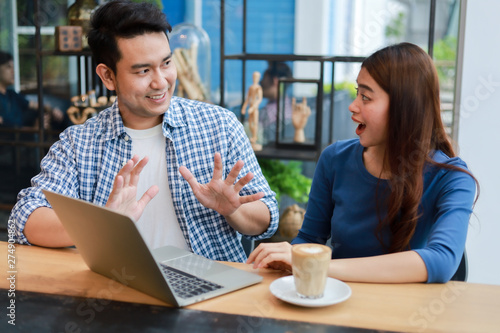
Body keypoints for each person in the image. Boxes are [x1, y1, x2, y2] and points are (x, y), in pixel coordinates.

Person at [9, 0, 278, 263]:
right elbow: (25, 217)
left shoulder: (219, 125)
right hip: (119, 293)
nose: (160, 82)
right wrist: (104, 223)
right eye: (143, 71)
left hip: (212, 293)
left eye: (166, 63)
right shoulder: (79, 143)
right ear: (108, 77)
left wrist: (234, 212)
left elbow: (267, 217)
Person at [247, 43, 478, 283]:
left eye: (366, 97)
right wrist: (290, 256)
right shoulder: (334, 159)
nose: (353, 105)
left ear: (404, 107)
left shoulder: (453, 178)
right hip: (336, 301)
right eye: (357, 92)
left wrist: (316, 264)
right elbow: (309, 241)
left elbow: (441, 261)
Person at [0, 51, 65, 129]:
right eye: (8, 67)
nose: (13, 72)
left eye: (13, 67)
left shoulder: (12, 95)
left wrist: (52, 110)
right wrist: (34, 129)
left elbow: (36, 105)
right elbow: (5, 130)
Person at [241, 71, 263, 150]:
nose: (255, 78)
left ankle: (254, 137)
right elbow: (247, 99)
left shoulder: (258, 88)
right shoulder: (251, 87)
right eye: (254, 76)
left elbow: (259, 99)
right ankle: (252, 137)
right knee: (250, 123)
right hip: (251, 106)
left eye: (256, 77)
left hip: (255, 108)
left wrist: (253, 107)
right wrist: (244, 107)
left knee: (255, 123)